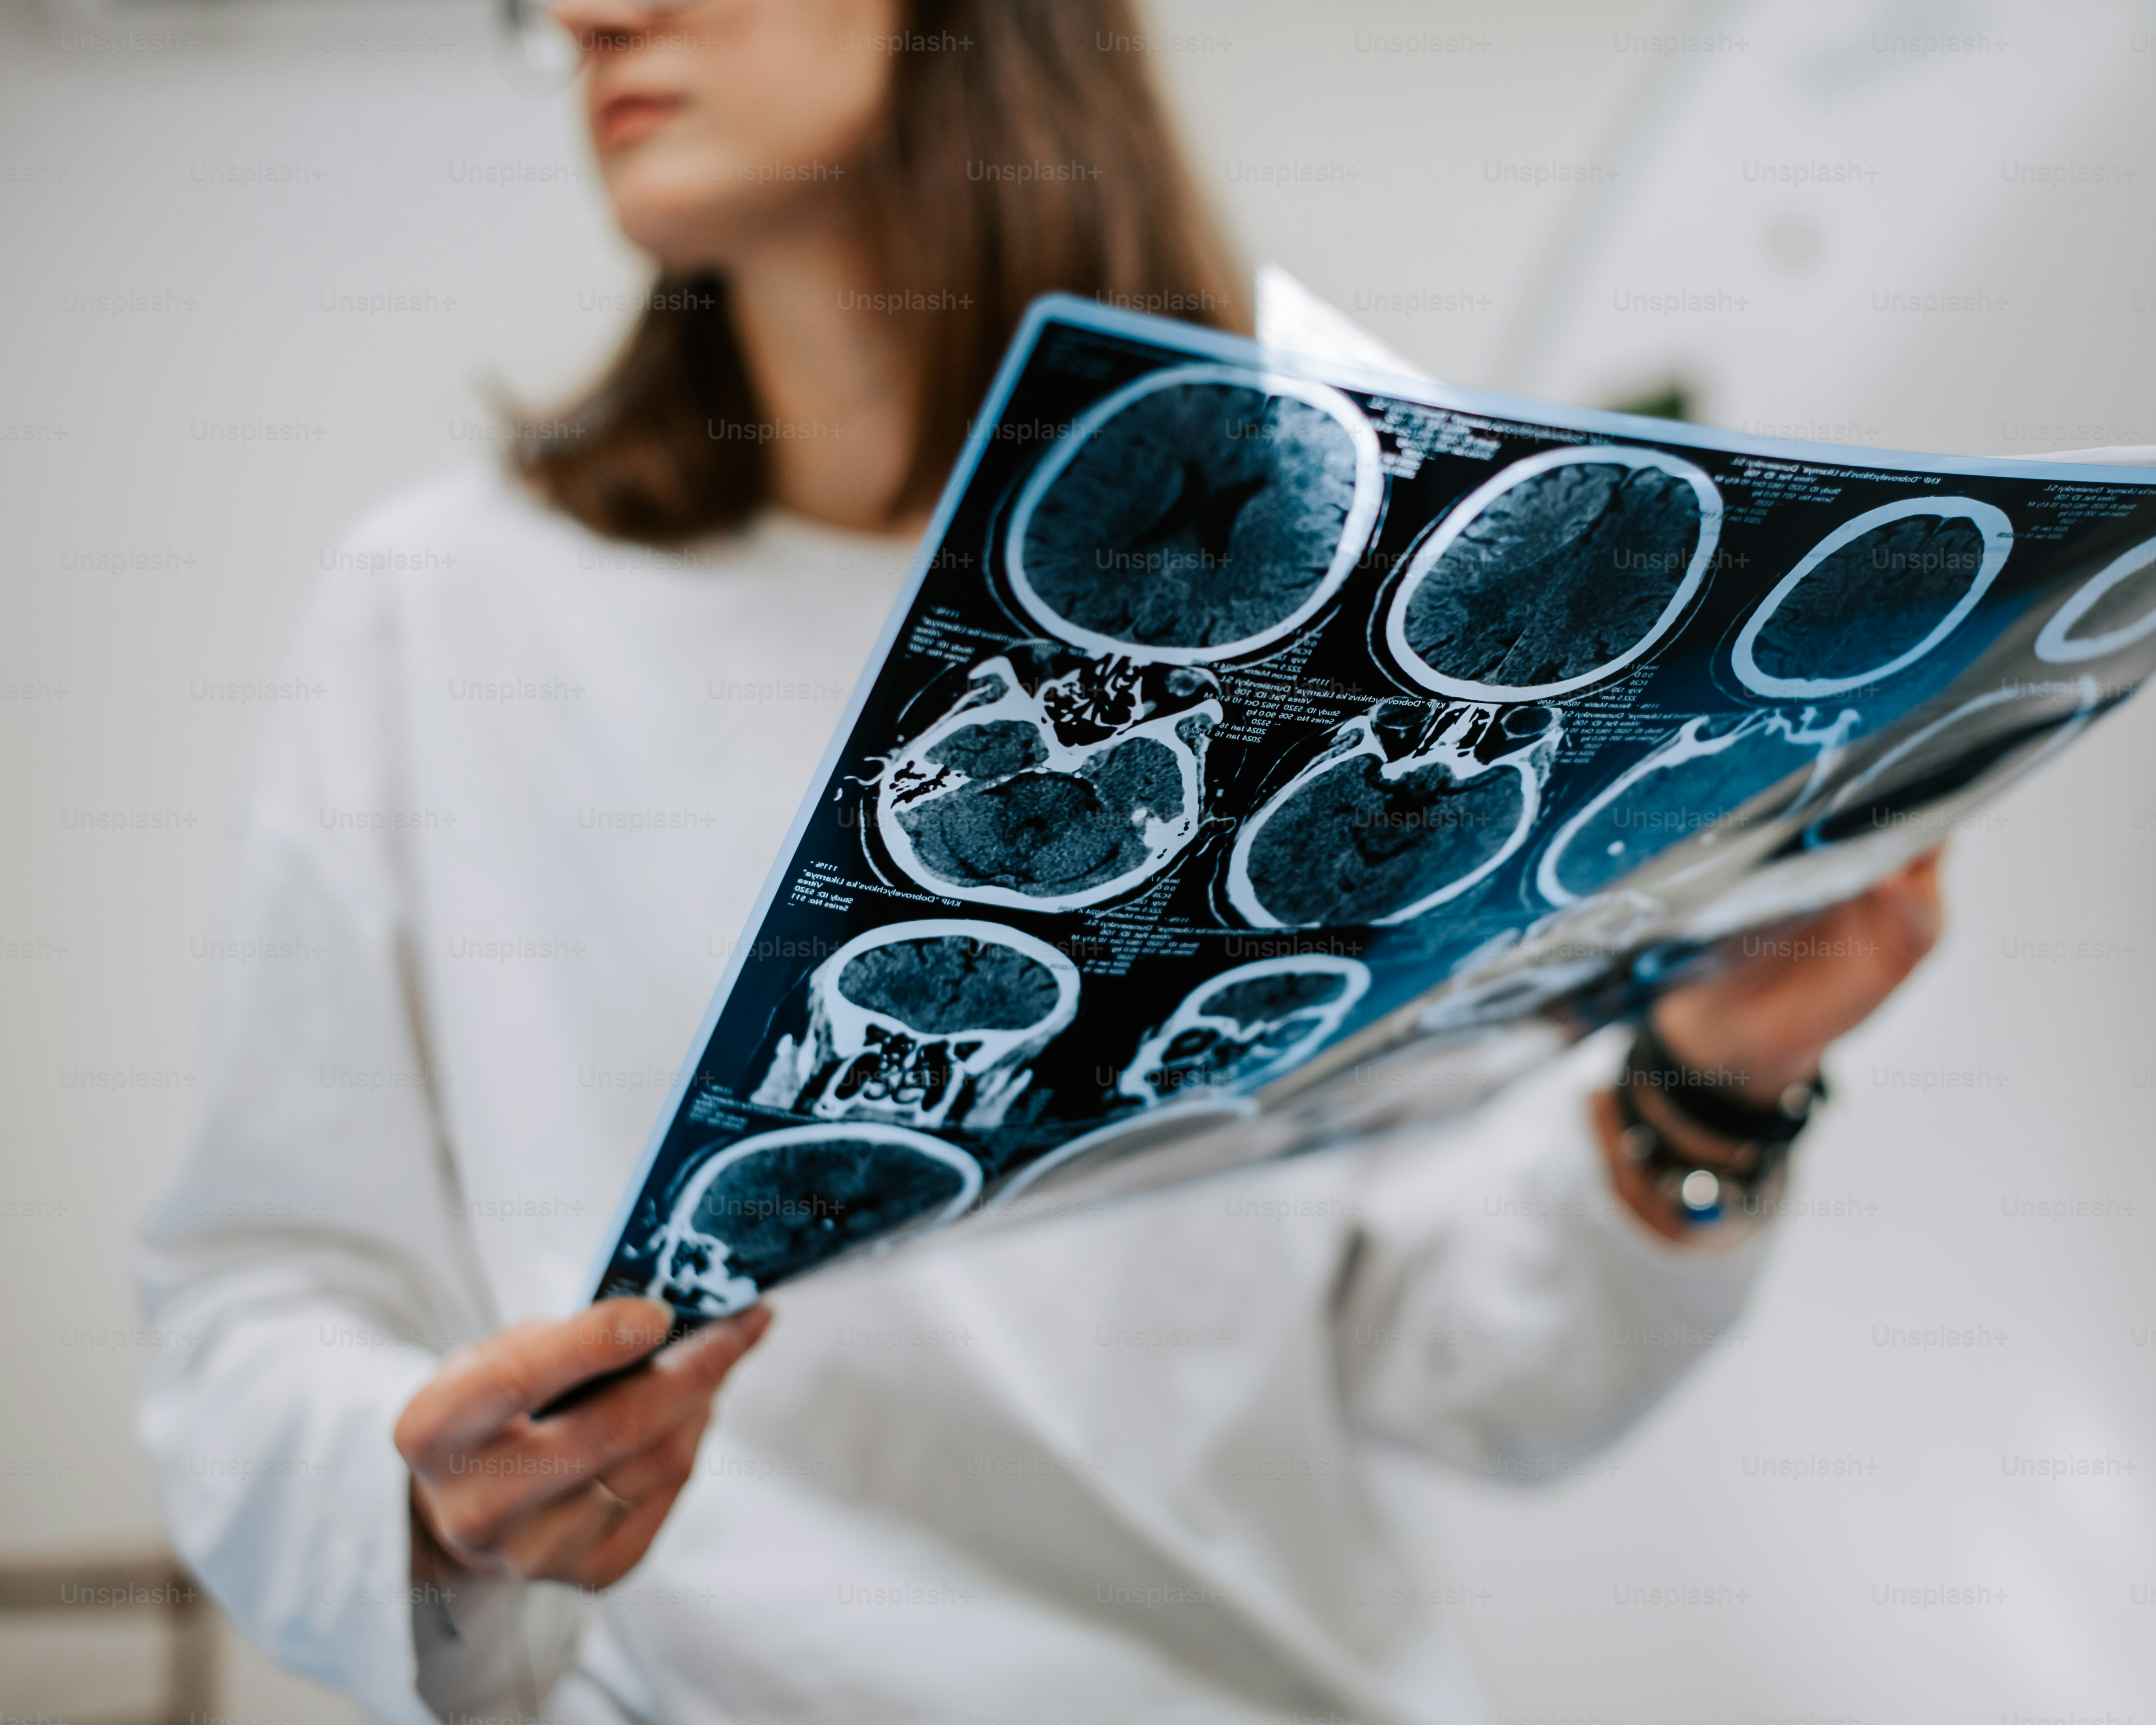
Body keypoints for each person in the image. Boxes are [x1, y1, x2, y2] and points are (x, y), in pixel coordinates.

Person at [134, 1, 1946, 1720]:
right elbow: (256, 1296)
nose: (590, 16)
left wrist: (1711, 1086)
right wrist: (429, 1502)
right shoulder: (445, 614)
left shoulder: (1344, 627)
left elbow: (1450, 1367)